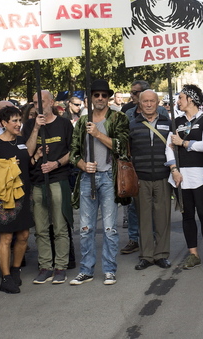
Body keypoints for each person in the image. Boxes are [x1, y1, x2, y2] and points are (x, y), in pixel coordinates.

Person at [69, 79, 129, 286]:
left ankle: (109, 270)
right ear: (91, 98)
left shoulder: (118, 118)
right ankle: (86, 270)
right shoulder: (82, 121)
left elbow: (121, 146)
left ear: (109, 98)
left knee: (110, 228)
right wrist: (82, 165)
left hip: (109, 178)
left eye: (104, 95)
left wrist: (98, 134)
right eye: (97, 95)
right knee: (85, 228)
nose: (101, 98)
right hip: (87, 178)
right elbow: (73, 153)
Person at [23, 90, 74, 285]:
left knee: (60, 226)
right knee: (41, 228)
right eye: (35, 103)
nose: (39, 106)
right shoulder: (29, 125)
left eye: (42, 102)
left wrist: (56, 164)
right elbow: (27, 154)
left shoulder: (64, 124)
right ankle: (45, 265)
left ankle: (61, 266)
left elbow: (73, 151)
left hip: (58, 179)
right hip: (37, 181)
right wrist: (36, 129)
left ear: (51, 102)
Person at [0, 106, 33, 293]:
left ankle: (16, 270)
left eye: (20, 120)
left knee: (24, 235)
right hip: (5, 197)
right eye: (14, 121)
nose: (19, 124)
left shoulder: (21, 141)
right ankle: (6, 277)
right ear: (4, 123)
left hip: (23, 195)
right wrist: (7, 166)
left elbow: (26, 165)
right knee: (6, 237)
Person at [166, 85, 203, 271]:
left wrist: (184, 143)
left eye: (181, 98)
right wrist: (174, 169)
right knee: (187, 216)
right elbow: (168, 148)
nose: (178, 101)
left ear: (191, 100)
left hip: (200, 175)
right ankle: (193, 253)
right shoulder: (176, 122)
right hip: (181, 175)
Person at [129, 90, 174, 270]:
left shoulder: (168, 124)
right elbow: (128, 152)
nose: (148, 104)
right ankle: (146, 256)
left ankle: (161, 254)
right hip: (142, 179)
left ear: (157, 103)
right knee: (144, 218)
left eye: (152, 101)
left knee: (162, 217)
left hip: (163, 177)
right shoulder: (132, 125)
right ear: (139, 104)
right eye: (145, 101)